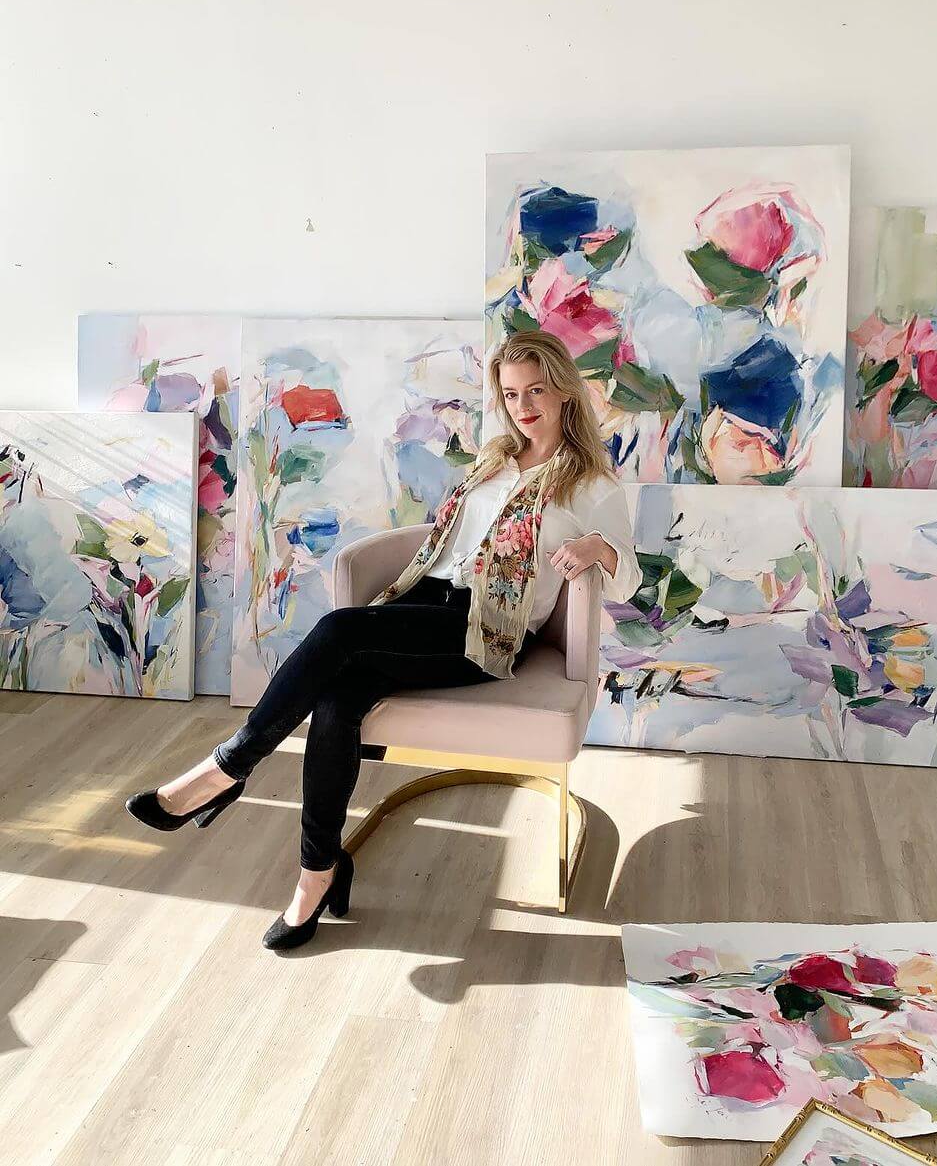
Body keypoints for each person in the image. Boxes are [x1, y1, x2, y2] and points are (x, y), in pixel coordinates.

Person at [125, 330, 642, 950]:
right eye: (510, 394)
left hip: (487, 628)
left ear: (561, 391)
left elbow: (630, 571)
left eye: (535, 390)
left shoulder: (592, 486)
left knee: (341, 629)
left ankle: (227, 767)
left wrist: (595, 546)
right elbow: (446, 538)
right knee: (339, 698)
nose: (523, 406)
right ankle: (318, 874)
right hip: (425, 601)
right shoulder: (494, 459)